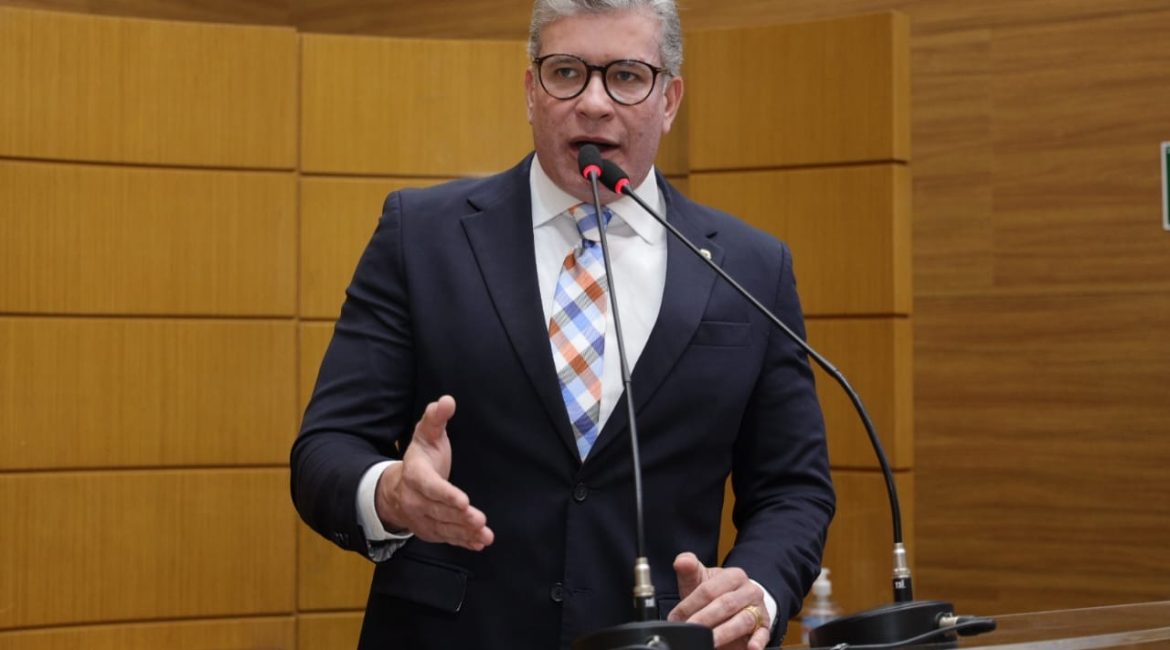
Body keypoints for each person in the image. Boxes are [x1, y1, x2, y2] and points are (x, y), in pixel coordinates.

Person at [290, 0, 835, 648]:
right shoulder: (422, 237)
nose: (594, 103)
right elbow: (326, 448)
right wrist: (389, 494)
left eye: (627, 76)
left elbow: (793, 489)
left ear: (669, 100)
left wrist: (756, 592)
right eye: (567, 72)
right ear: (531, 90)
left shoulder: (751, 268)